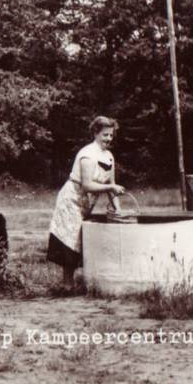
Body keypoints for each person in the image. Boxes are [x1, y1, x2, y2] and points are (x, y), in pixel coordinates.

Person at [47, 115, 127, 287]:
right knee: (70, 240)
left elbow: (111, 186)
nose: (108, 139)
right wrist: (110, 188)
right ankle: (67, 286)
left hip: (85, 203)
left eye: (111, 135)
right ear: (95, 133)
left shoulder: (109, 156)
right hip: (71, 200)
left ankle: (81, 282)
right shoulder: (87, 154)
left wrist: (118, 210)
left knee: (80, 239)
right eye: (105, 135)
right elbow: (87, 185)